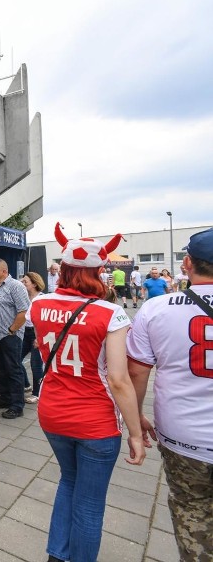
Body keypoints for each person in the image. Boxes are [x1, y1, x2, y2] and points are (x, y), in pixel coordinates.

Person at [31, 225, 144, 562]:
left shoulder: (39, 303)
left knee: (68, 480)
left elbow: (40, 345)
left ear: (63, 269)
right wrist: (135, 431)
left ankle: (58, 555)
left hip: (52, 412)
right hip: (95, 420)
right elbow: (120, 380)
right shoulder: (111, 313)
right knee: (91, 504)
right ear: (99, 271)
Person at [126, 227, 213, 562]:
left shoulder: (156, 308)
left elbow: (136, 373)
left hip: (184, 437)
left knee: (192, 515)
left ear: (187, 263)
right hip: (183, 436)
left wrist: (134, 421)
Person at [0, 259, 30, 419]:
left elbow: (24, 312)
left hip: (10, 336)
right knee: (1, 369)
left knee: (13, 370)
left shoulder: (15, 286)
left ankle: (17, 405)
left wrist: (12, 330)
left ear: (4, 271)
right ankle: (5, 398)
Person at [19, 272, 45, 405]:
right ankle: (26, 384)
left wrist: (39, 337)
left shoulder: (42, 299)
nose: (22, 284)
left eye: (25, 282)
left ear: (34, 284)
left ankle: (37, 393)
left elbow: (44, 320)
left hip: (37, 333)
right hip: (25, 332)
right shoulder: (24, 297)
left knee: (36, 365)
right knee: (17, 359)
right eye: (22, 281)